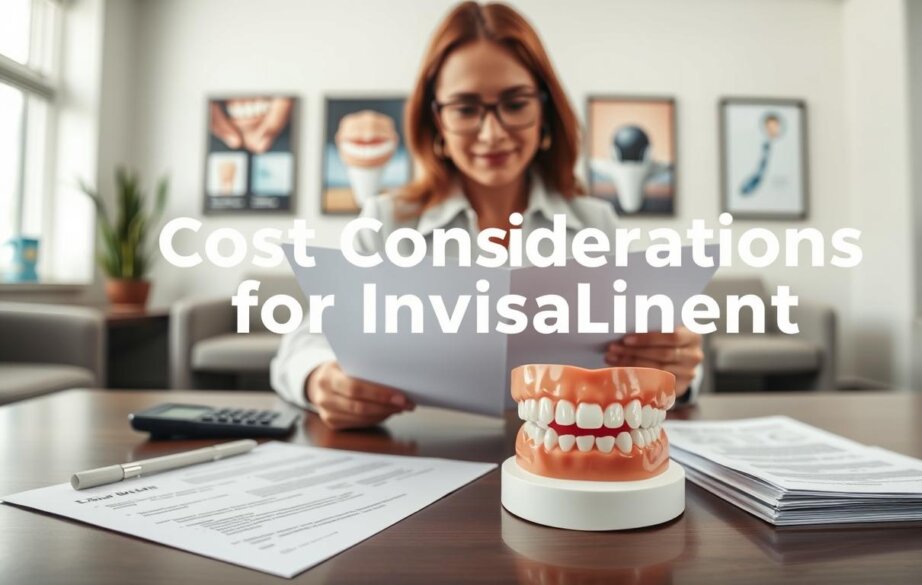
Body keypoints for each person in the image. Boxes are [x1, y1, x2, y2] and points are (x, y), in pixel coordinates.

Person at [271, 1, 703, 430]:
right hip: (419, 451)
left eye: (515, 103)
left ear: (544, 111)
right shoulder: (386, 220)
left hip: (559, 454)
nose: (492, 133)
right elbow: (300, 346)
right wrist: (320, 381)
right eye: (465, 108)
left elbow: (661, 360)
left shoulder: (595, 223)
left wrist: (675, 371)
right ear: (435, 119)